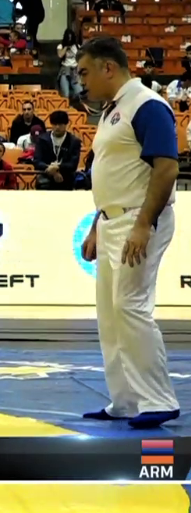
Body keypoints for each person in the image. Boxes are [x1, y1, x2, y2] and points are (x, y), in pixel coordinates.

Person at [78, 36, 181, 429]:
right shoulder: (112, 111)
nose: (81, 81)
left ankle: (158, 399)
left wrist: (143, 224)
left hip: (139, 219)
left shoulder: (147, 105)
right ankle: (125, 401)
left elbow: (166, 168)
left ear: (108, 67)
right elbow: (114, 174)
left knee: (131, 306)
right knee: (110, 312)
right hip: (112, 221)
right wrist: (96, 225)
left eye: (85, 72)